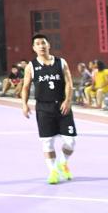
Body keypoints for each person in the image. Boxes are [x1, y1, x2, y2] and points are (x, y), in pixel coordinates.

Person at [21, 33, 78, 185]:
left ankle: (62, 163)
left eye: (43, 43)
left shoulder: (61, 62)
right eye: (38, 44)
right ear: (34, 48)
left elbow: (69, 83)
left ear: (49, 45)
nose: (41, 46)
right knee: (47, 142)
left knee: (71, 141)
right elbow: (25, 87)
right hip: (43, 107)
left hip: (62, 106)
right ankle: (53, 171)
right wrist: (24, 104)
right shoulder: (31, 66)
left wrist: (67, 100)